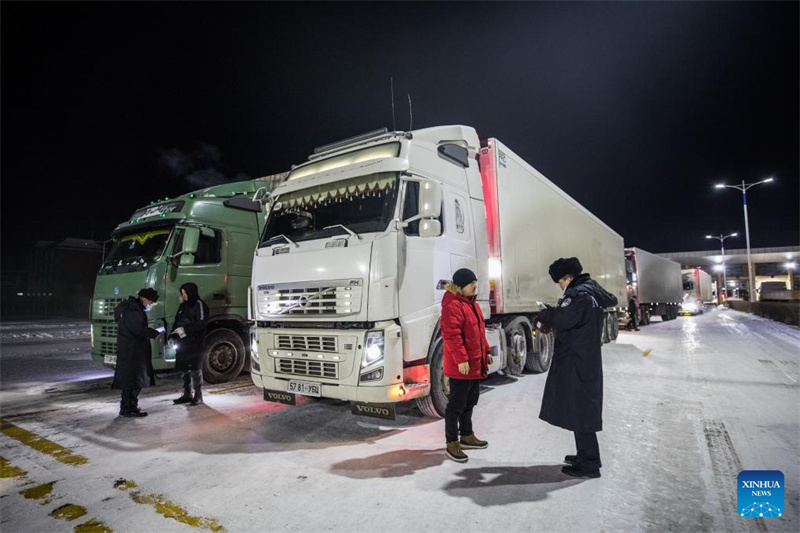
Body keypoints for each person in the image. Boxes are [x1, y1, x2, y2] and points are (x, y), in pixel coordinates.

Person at [536, 258, 618, 478]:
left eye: (560, 282)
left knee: (581, 409)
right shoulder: (591, 292)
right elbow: (568, 316)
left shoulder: (579, 295)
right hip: (585, 359)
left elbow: (563, 320)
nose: (561, 287)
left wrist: (546, 314)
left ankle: (590, 463)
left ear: (567, 278)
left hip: (577, 360)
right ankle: (584, 455)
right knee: (579, 408)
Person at [442, 268, 493, 463]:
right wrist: (461, 359)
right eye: (471, 283)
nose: (475, 286)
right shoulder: (452, 305)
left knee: (470, 401)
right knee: (455, 405)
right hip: (461, 366)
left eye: (475, 282)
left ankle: (467, 435)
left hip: (474, 364)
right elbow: (452, 336)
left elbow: (479, 333)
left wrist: (486, 352)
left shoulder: (472, 304)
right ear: (460, 286)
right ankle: (452, 442)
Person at [112, 288, 162, 418]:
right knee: (133, 380)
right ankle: (129, 408)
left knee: (130, 380)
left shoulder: (129, 307)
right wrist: (155, 333)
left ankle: (127, 407)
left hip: (129, 349)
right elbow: (138, 329)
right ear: (144, 299)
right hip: (133, 350)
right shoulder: (134, 309)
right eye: (150, 302)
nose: (150, 305)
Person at [170, 283, 209, 406]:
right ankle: (187, 393)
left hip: (195, 343)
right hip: (183, 343)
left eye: (185, 293)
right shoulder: (182, 306)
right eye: (182, 293)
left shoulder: (199, 305)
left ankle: (198, 394)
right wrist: (172, 336)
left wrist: (185, 330)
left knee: (195, 369)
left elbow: (202, 323)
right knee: (184, 368)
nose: (184, 296)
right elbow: (176, 323)